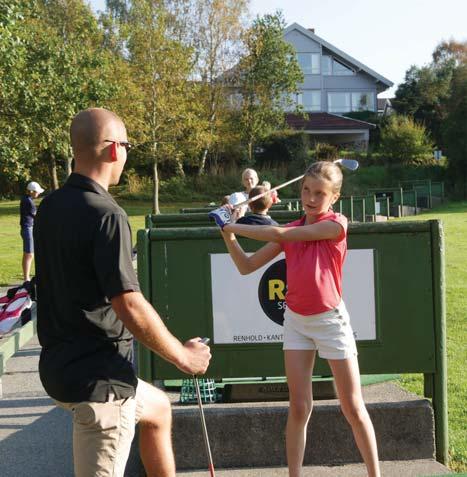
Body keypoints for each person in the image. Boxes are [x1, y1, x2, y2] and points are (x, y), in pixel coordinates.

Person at [34, 108, 211, 477]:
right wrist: (183, 356)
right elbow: (128, 302)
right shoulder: (107, 214)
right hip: (101, 386)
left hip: (58, 366)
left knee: (159, 409)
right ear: (115, 150)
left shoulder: (50, 205)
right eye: (127, 146)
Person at [210, 161, 380, 477]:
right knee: (299, 406)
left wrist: (232, 224)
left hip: (330, 321)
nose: (311, 198)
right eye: (306, 190)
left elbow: (277, 232)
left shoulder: (336, 224)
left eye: (320, 193)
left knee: (353, 407)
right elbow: (246, 266)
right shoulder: (292, 230)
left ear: (335, 197)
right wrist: (227, 234)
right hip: (296, 322)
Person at [19, 181, 44, 282]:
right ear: (31, 191)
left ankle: (27, 277)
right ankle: (26, 278)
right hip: (27, 228)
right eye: (36, 192)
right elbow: (37, 216)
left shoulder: (26, 199)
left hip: (28, 228)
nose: (38, 194)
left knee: (29, 253)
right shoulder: (28, 202)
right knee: (29, 253)